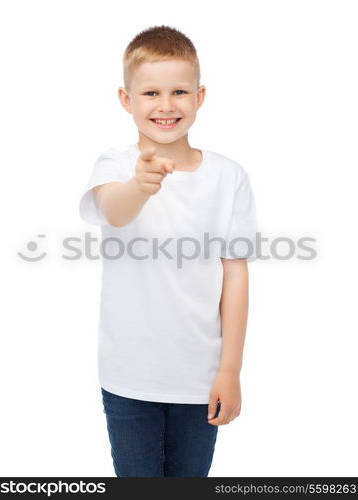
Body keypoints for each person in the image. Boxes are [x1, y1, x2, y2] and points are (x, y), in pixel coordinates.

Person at [79, 25, 259, 477]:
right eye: (151, 93)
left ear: (200, 96)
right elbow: (113, 211)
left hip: (201, 380)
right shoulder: (116, 165)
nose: (165, 105)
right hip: (128, 376)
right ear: (126, 99)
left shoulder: (228, 176)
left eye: (179, 91)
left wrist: (230, 370)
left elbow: (234, 275)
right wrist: (140, 185)